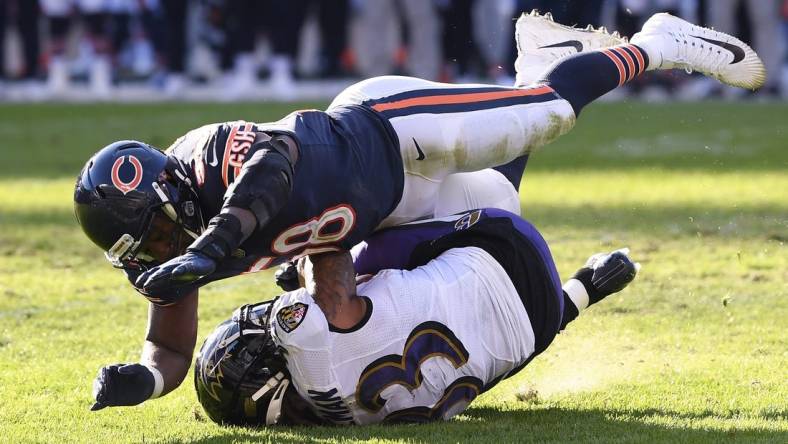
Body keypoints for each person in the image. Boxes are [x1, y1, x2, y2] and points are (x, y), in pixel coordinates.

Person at [83, 11, 765, 411]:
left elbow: (277, 167)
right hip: (384, 211)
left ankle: (658, 42)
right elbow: (171, 347)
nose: (160, 250)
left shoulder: (207, 161)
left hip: (388, 132)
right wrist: (141, 380)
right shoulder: (168, 249)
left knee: (546, 116)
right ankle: (547, 57)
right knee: (500, 202)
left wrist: (209, 249)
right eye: (145, 248)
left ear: (170, 193)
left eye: (161, 231)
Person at [190, 208, 640, 425]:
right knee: (356, 227)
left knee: (478, 355)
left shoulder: (345, 421)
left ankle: (586, 288)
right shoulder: (315, 332)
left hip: (536, 326)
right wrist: (305, 263)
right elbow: (320, 280)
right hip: (506, 250)